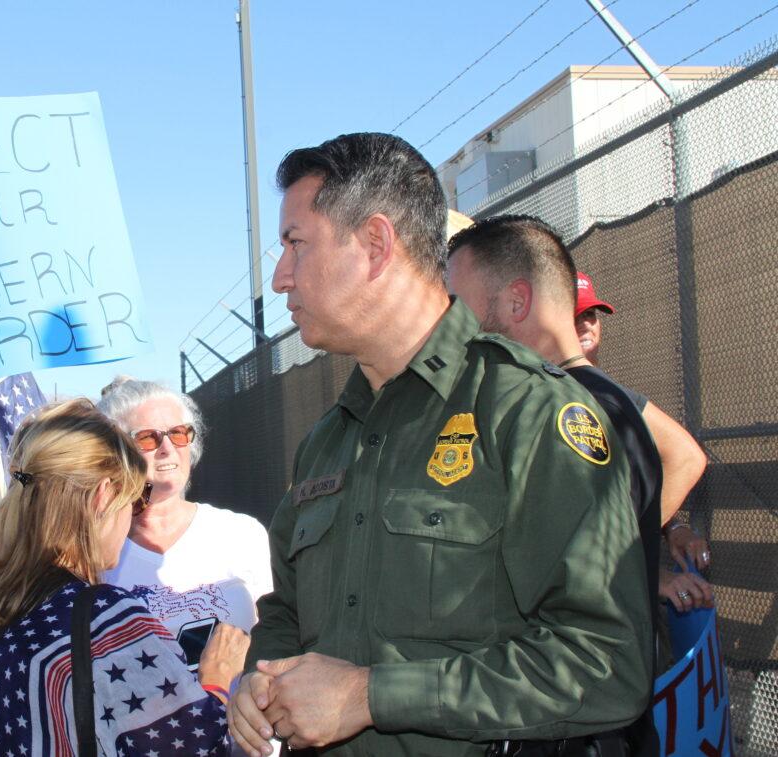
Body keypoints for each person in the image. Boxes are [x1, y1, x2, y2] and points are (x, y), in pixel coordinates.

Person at [228, 133, 652, 757]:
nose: (280, 275)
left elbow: (607, 663)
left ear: (375, 245)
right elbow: (288, 610)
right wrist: (257, 680)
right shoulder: (326, 442)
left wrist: (371, 696)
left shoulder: (527, 410)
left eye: (295, 244)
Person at [444, 215, 705, 756]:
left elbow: (684, 456)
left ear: (516, 303)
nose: (452, 327)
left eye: (460, 307)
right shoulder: (590, 398)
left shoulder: (571, 405)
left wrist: (631, 557)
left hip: (577, 725)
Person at [0, 398, 245, 755]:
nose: (133, 517)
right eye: (136, 500)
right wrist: (217, 681)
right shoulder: (104, 620)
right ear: (104, 496)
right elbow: (195, 747)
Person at [97, 379, 272, 670]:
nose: (167, 447)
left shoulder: (242, 534)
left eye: (178, 434)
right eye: (147, 438)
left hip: (240, 713)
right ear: (114, 452)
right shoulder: (95, 551)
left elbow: (273, 635)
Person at [574, 271, 712, 582]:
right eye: (574, 314)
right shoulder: (564, 393)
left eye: (591, 314)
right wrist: (637, 562)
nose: (585, 323)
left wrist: (670, 527)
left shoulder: (607, 391)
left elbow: (636, 481)